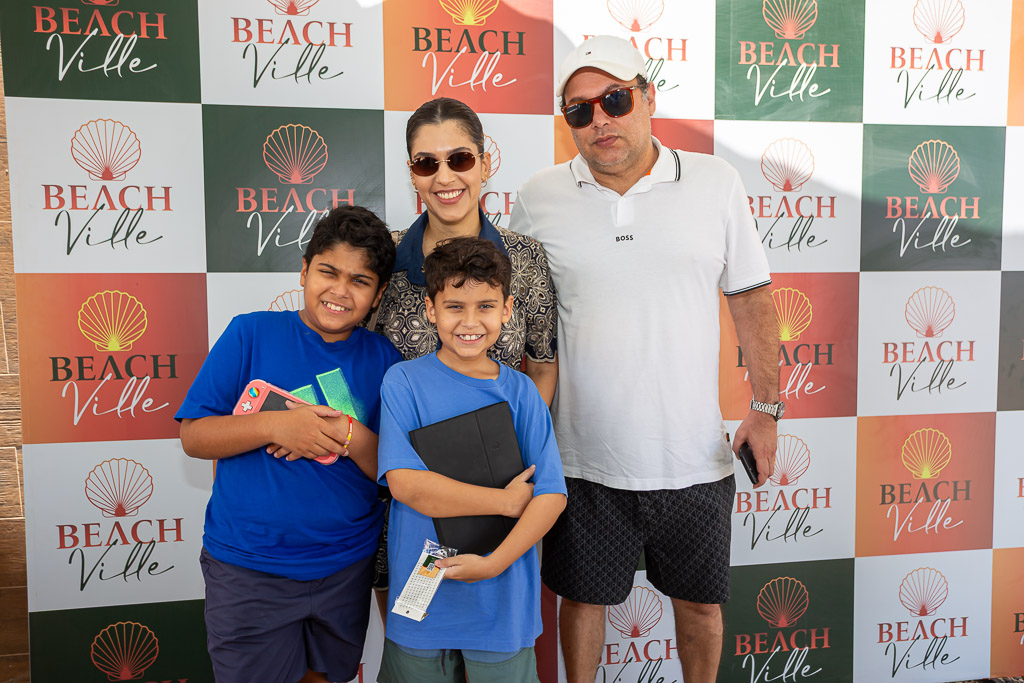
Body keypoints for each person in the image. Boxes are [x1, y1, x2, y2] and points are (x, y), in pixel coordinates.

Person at [510, 36, 782, 683]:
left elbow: (751, 299)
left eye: (614, 99)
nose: (599, 120)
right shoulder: (538, 196)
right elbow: (518, 325)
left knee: (702, 606)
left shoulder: (716, 182)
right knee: (582, 602)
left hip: (693, 456)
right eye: (580, 110)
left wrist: (766, 409)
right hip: (580, 458)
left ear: (649, 97)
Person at [176, 205, 402, 683]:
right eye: (328, 272)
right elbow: (194, 436)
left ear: (379, 294)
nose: (340, 291)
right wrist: (275, 427)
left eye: (360, 281)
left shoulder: (384, 358)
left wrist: (347, 433)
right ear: (304, 271)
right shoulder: (250, 333)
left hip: (345, 566)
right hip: (249, 567)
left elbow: (391, 469)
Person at [370, 96, 559, 617]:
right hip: (402, 495)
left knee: (491, 634)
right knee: (414, 633)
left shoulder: (525, 258)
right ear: (411, 173)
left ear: (485, 163)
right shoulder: (384, 258)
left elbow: (543, 363)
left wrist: (513, 448)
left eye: (459, 158)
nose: (444, 176)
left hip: (501, 492)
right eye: (426, 163)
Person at [376, 237, 567, 683]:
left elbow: (551, 495)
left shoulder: (521, 391)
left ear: (507, 309)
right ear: (430, 309)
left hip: (502, 595)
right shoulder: (403, 382)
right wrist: (504, 501)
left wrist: (494, 563)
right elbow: (406, 485)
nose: (469, 321)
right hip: (422, 592)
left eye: (485, 306)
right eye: (454, 307)